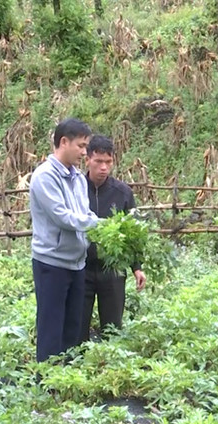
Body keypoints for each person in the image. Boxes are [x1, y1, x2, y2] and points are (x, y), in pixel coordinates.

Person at [29, 118, 99, 362]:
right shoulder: (44, 177)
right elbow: (62, 217)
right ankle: (47, 385)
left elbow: (85, 212)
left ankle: (67, 381)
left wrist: (97, 224)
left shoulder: (78, 178)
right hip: (52, 263)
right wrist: (97, 224)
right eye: (80, 146)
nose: (84, 152)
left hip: (76, 262)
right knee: (51, 326)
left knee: (72, 327)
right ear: (63, 142)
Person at [79, 134, 146, 345]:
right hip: (80, 267)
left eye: (108, 162)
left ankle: (110, 366)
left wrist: (137, 267)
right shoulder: (75, 188)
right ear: (87, 159)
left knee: (113, 326)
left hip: (113, 269)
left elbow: (133, 232)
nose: (103, 168)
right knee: (78, 324)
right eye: (98, 161)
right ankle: (76, 368)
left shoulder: (123, 192)